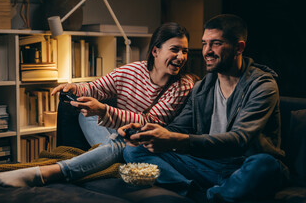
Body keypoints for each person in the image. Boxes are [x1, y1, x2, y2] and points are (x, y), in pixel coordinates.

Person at [0, 22, 196, 187]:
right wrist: (75, 89)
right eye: (175, 50)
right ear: (155, 51)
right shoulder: (132, 71)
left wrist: (104, 109)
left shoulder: (182, 84)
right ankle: (110, 154)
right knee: (87, 115)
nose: (181, 57)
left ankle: (47, 173)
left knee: (122, 143)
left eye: (185, 51)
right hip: (118, 132)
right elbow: (97, 87)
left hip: (145, 142)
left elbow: (149, 121)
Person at [120, 14, 289, 202]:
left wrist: (176, 139)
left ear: (238, 48)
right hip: (207, 165)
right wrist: (145, 132)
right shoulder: (202, 87)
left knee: (265, 164)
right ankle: (196, 192)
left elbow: (240, 139)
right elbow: (178, 128)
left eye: (216, 43)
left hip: (243, 166)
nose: (206, 51)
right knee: (133, 150)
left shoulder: (262, 85)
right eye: (204, 43)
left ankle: (213, 194)